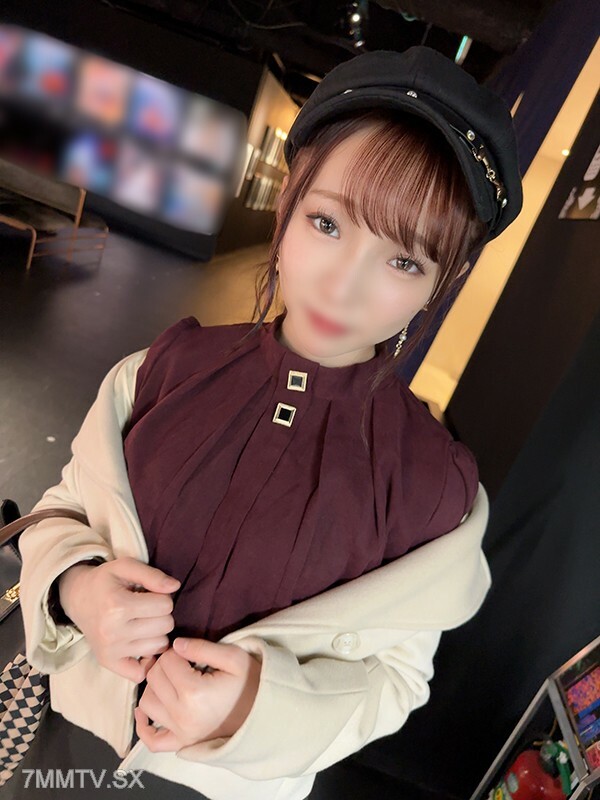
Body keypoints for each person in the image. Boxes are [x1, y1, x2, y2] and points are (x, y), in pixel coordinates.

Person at [11, 45, 522, 800]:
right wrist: (78, 589)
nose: (344, 285)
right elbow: (62, 510)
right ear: (287, 200)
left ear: (447, 279)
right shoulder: (163, 370)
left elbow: (395, 682)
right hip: (63, 742)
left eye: (404, 262)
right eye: (327, 223)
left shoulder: (430, 488)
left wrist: (255, 705)